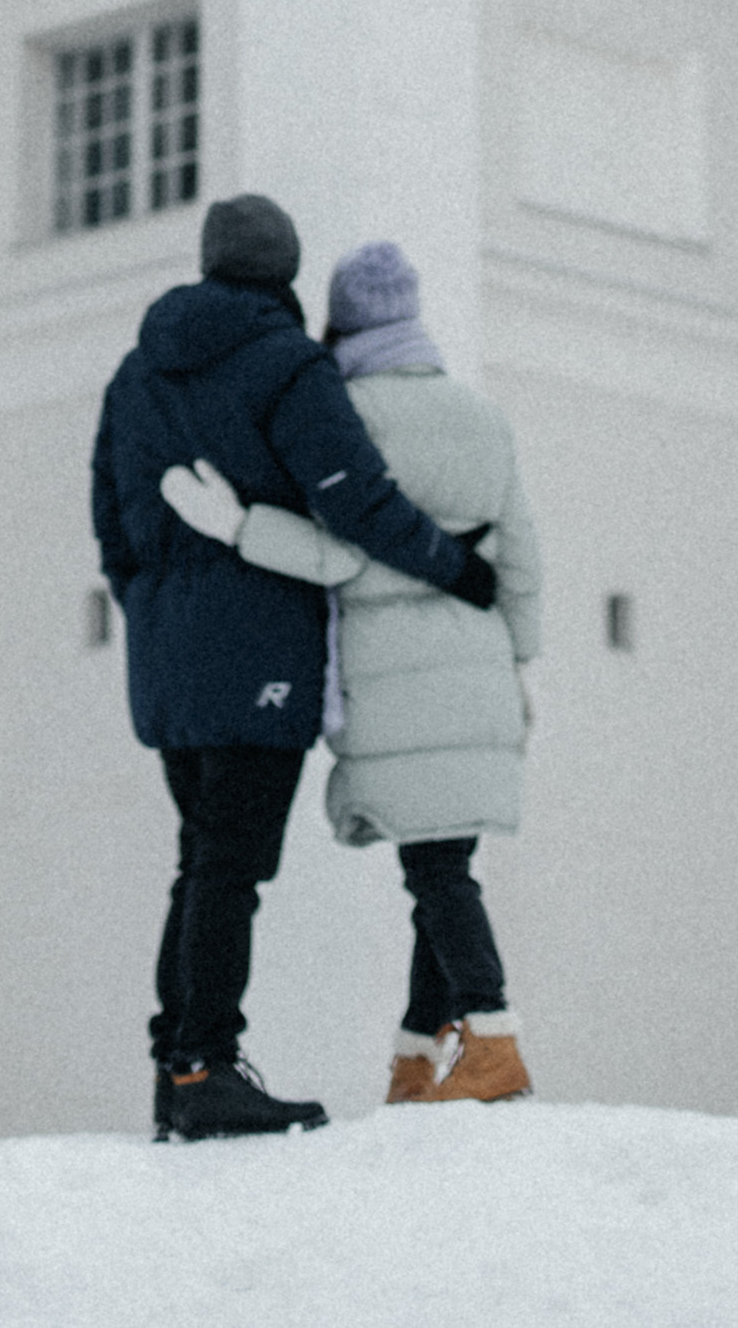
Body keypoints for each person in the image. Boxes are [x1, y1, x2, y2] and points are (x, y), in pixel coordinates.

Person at [91, 192, 500, 1141]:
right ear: (284, 271)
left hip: (164, 657)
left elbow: (110, 517)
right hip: (258, 654)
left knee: (201, 864)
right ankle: (202, 1069)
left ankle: (180, 1069)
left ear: (206, 262)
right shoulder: (286, 364)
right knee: (230, 868)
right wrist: (459, 570)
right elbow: (356, 498)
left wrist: (151, 610)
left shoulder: (133, 372)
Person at [162, 238, 541, 1107]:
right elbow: (521, 552)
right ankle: (418, 1056)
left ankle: (492, 1039)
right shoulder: (482, 416)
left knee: (436, 872)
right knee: (437, 859)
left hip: (393, 674)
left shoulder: (342, 412)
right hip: (477, 663)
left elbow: (339, 556)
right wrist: (523, 661)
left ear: (341, 321)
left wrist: (237, 527)